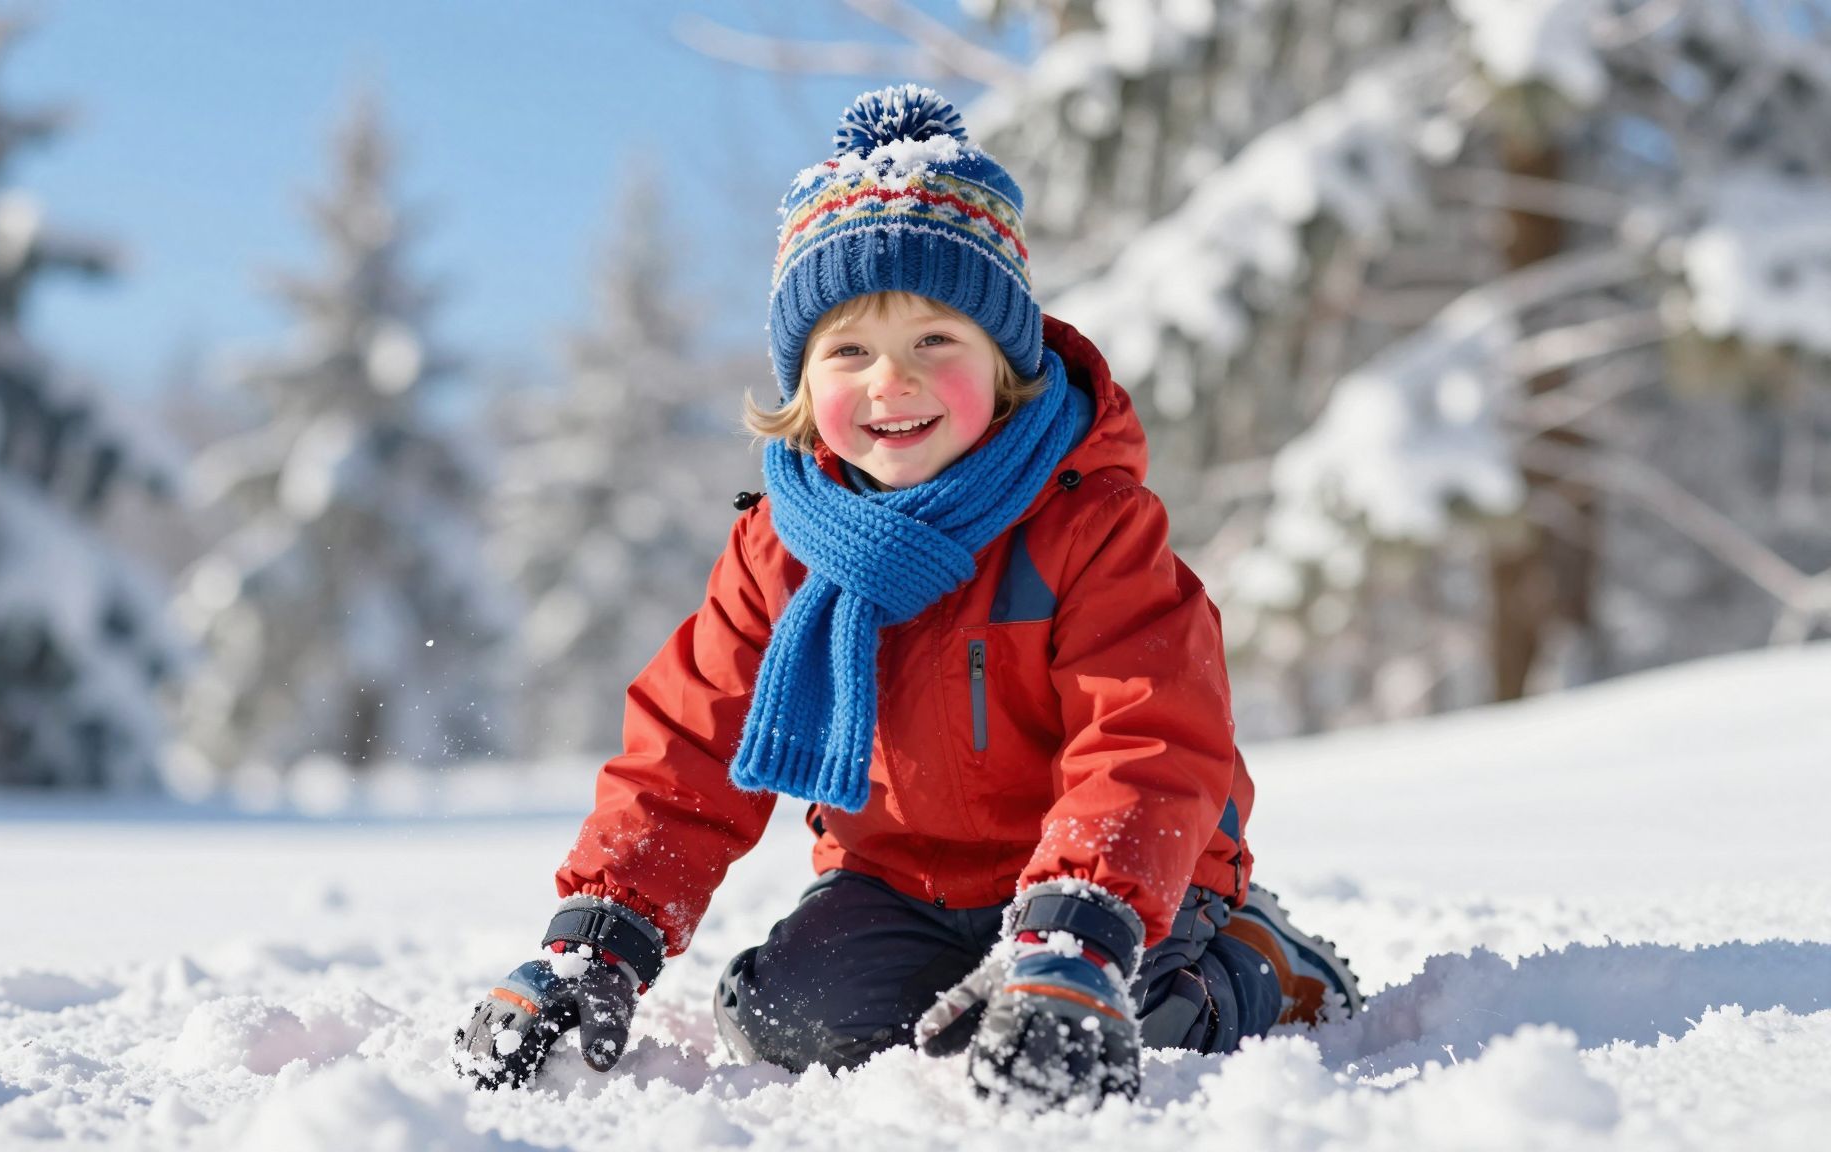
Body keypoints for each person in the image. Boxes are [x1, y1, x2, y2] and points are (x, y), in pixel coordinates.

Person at [453, 85, 1361, 1110]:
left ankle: (1255, 958)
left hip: (1113, 882)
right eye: (848, 351)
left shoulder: (1087, 527)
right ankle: (979, 976)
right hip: (905, 884)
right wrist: (595, 946)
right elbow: (686, 752)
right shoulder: (781, 549)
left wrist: (1080, 933)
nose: (892, 383)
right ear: (801, 382)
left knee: (1128, 1028)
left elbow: (1148, 738)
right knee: (795, 1024)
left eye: (936, 342)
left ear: (1006, 364)